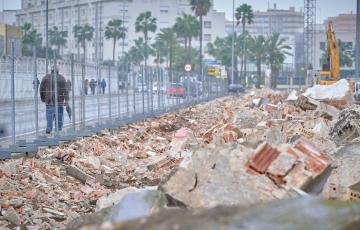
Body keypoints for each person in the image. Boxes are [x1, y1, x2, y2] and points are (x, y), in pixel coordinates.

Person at [40, 66, 69, 134]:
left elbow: (41, 89)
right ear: (58, 71)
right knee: (59, 116)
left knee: (49, 115)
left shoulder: (46, 77)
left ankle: (49, 129)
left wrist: (43, 98)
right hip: (59, 101)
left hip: (49, 101)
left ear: (51, 70)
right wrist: (66, 100)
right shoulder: (62, 78)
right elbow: (65, 90)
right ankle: (58, 130)